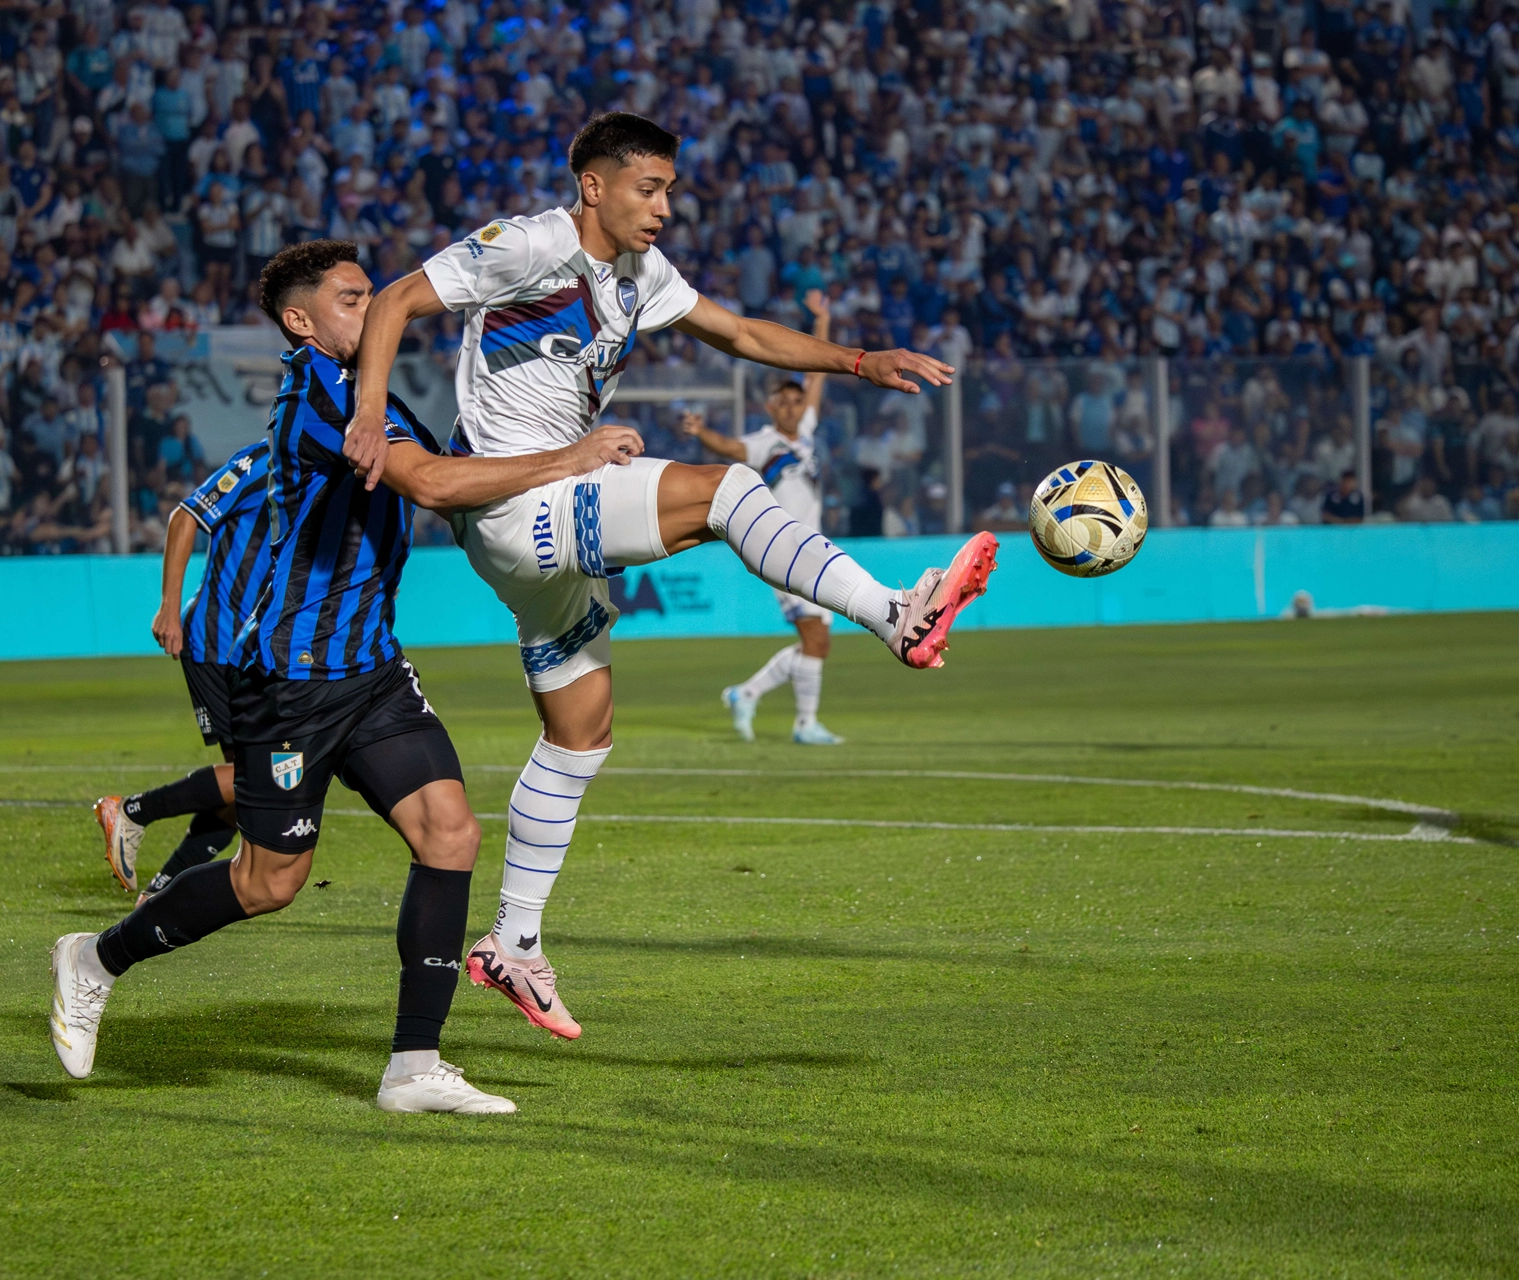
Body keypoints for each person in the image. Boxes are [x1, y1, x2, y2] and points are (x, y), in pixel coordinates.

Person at [347, 113, 1000, 1041]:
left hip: (538, 538)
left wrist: (856, 360)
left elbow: (738, 332)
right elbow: (394, 299)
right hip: (513, 503)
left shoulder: (639, 276)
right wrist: (371, 414)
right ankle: (895, 613)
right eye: (647, 189)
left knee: (581, 730)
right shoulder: (528, 245)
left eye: (669, 191)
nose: (662, 208)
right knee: (728, 490)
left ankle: (512, 944)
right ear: (593, 187)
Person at [49, 240, 646, 1114]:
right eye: (352, 299)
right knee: (269, 883)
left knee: (450, 833)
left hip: (369, 667)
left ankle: (413, 1067)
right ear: (300, 320)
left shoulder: (372, 394)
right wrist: (570, 459)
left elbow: (455, 480)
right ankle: (94, 958)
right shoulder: (316, 402)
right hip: (288, 681)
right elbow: (435, 485)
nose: (375, 310)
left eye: (374, 296)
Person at [91, 438, 272, 903]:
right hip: (219, 638)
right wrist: (168, 608)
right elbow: (185, 516)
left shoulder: (326, 470)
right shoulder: (260, 460)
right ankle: (132, 811)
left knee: (242, 798)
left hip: (257, 651)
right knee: (255, 777)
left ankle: (159, 892)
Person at [678, 289, 843, 745]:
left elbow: (817, 377)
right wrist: (701, 432)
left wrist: (822, 323)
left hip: (814, 546)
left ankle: (746, 693)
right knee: (815, 639)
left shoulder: (805, 432)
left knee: (819, 643)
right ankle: (804, 724)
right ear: (770, 408)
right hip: (784, 550)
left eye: (796, 401)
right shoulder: (763, 442)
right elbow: (729, 450)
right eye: (784, 401)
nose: (794, 406)